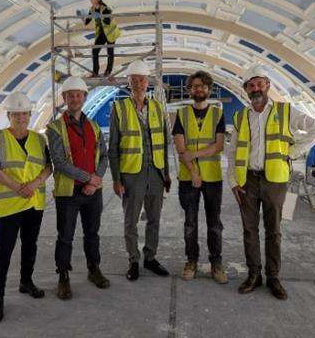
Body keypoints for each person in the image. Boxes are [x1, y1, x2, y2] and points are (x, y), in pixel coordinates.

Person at [227, 66, 315, 300]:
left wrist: (292, 153)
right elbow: (233, 151)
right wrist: (232, 181)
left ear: (268, 86)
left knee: (274, 231)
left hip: (275, 181)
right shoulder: (240, 117)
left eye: (260, 84)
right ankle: (254, 275)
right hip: (247, 180)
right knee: (249, 230)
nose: (256, 88)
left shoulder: (286, 111)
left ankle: (273, 277)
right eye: (251, 85)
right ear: (246, 90)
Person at [0, 92, 52, 322]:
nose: (21, 118)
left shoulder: (39, 140)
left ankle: (26, 281)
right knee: (3, 250)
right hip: (8, 204)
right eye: (16, 114)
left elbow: (48, 167)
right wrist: (17, 187)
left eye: (24, 113)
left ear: (30, 114)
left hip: (33, 202)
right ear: (9, 115)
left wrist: (34, 183)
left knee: (30, 245)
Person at [46, 76, 111, 300]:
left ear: (84, 97)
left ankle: (94, 269)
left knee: (92, 233)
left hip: (93, 192)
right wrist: (88, 178)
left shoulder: (93, 126)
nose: (75, 99)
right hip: (68, 193)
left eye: (78, 95)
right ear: (64, 98)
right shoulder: (55, 128)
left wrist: (95, 180)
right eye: (70, 95)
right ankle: (63, 276)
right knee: (65, 236)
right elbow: (59, 161)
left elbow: (104, 156)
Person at [108, 59, 171, 281]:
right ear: (129, 83)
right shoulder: (119, 108)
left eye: (142, 80)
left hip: (155, 173)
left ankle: (150, 258)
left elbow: (164, 143)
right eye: (134, 80)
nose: (138, 84)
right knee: (131, 220)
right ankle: (133, 260)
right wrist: (116, 179)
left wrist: (166, 173)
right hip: (131, 174)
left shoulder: (157, 107)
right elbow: (113, 147)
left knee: (154, 218)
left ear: (148, 82)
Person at [172, 71, 227, 284]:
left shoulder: (217, 114)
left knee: (214, 223)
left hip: (213, 177)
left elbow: (219, 146)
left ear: (209, 89)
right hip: (188, 177)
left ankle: (216, 263)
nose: (199, 89)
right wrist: (194, 172)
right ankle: (191, 261)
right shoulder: (182, 114)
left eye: (203, 86)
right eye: (195, 86)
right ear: (190, 90)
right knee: (190, 223)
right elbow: (180, 147)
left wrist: (194, 154)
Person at [84, 0, 119, 77]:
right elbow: (87, 22)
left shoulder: (105, 8)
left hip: (110, 32)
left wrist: (100, 16)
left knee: (110, 52)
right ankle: (95, 72)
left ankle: (108, 71)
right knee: (94, 51)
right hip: (102, 33)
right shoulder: (92, 9)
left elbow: (108, 22)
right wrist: (83, 18)